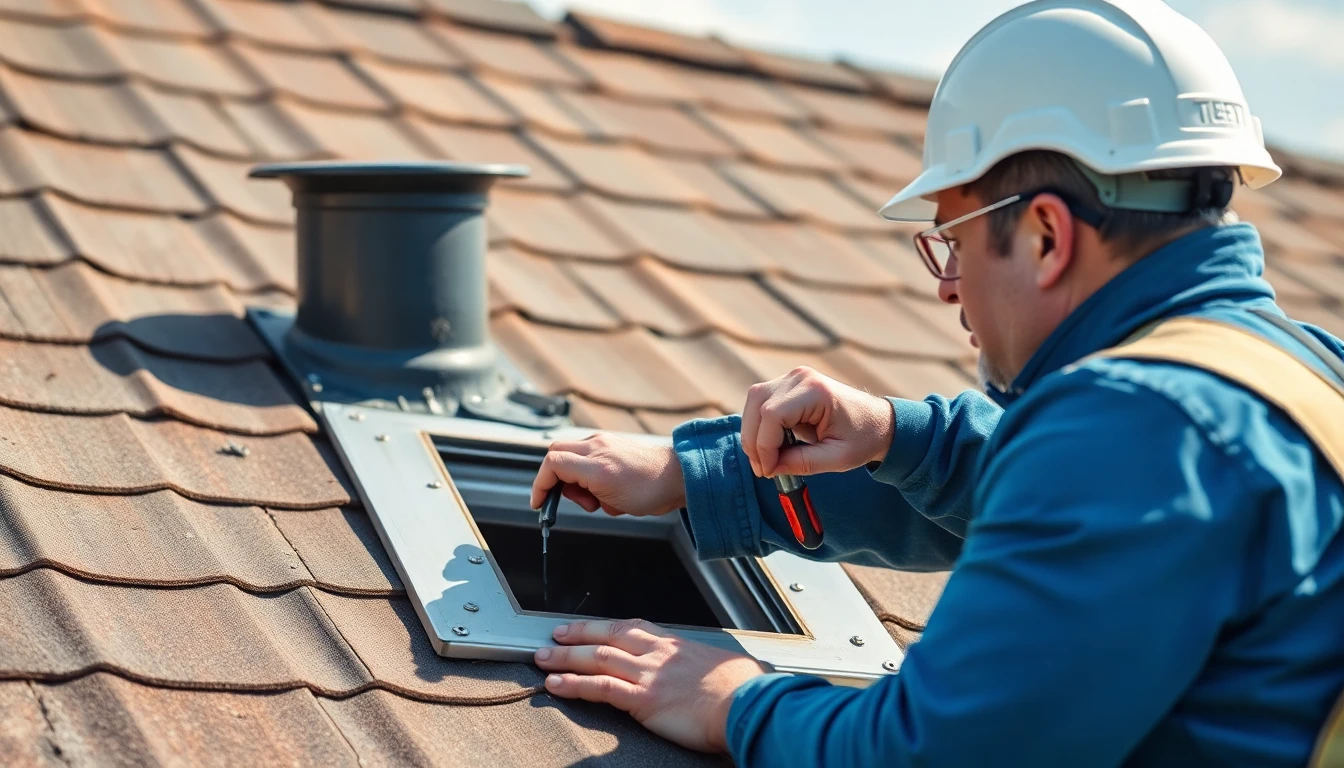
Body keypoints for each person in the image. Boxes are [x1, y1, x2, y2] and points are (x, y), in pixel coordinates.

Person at [527, 1, 1344, 765]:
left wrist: (733, 701)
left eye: (953, 237)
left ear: (1046, 234)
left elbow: (932, 750)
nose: (947, 283)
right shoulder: (1301, 374)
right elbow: (1046, 497)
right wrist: (746, 467)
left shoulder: (1137, 429)